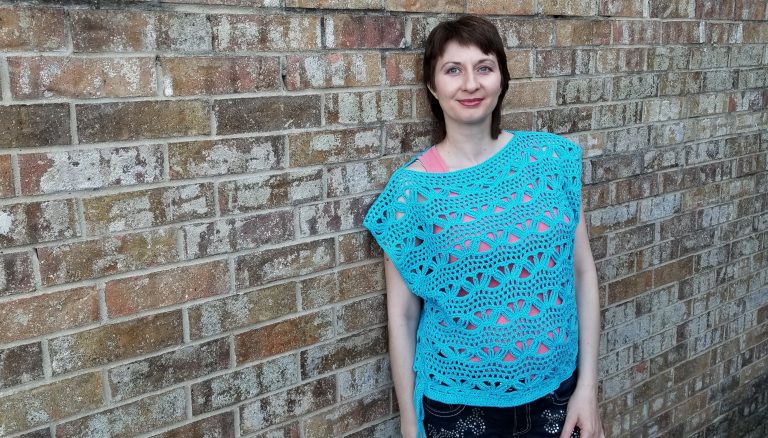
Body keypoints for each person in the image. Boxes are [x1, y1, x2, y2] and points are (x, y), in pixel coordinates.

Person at [362, 15, 604, 438]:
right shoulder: (412, 192)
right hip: (460, 408)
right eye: (453, 70)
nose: (471, 84)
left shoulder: (552, 161)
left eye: (484, 68)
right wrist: (410, 425)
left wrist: (588, 388)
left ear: (501, 79)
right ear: (433, 86)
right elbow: (401, 315)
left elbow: (582, 273)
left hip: (559, 394)